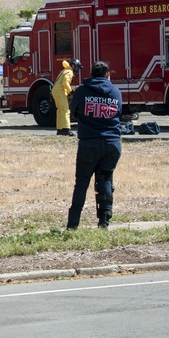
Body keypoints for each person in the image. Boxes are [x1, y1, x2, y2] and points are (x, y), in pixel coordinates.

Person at [66, 61, 122, 230]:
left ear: (91, 74)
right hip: (112, 144)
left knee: (82, 184)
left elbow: (73, 111)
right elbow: (119, 113)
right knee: (105, 180)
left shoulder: (82, 91)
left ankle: (73, 224)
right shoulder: (115, 92)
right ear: (107, 75)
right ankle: (104, 221)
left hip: (89, 144)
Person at [51, 59, 81, 136]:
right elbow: (65, 83)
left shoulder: (65, 71)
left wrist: (73, 88)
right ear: (73, 66)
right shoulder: (69, 72)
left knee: (60, 110)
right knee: (65, 110)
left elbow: (62, 83)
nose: (77, 70)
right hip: (60, 92)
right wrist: (71, 92)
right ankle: (66, 129)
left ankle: (60, 129)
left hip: (56, 91)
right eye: (77, 67)